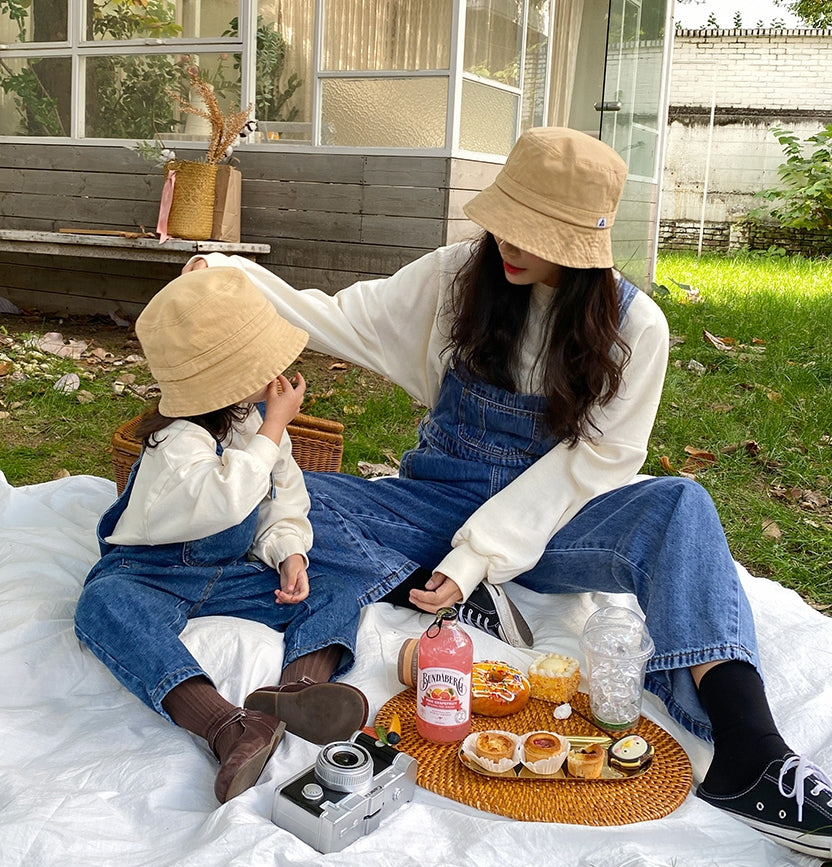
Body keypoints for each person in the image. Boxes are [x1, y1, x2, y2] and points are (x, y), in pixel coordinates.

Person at [184, 127, 832, 857]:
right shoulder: (460, 273)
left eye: (537, 234)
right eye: (505, 224)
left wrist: (478, 555)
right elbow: (342, 318)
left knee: (682, 506)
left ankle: (751, 752)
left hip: (553, 526)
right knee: (287, 497)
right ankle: (445, 588)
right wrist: (234, 280)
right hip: (430, 503)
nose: (510, 245)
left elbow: (589, 468)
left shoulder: (635, 327)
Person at [74, 267, 369, 805]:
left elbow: (283, 498)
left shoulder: (249, 421)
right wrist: (275, 428)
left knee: (336, 589)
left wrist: (288, 553)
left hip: (231, 572)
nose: (279, 371)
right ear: (230, 374)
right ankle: (224, 724)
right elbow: (221, 500)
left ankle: (295, 693)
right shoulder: (175, 440)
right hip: (155, 573)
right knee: (103, 604)